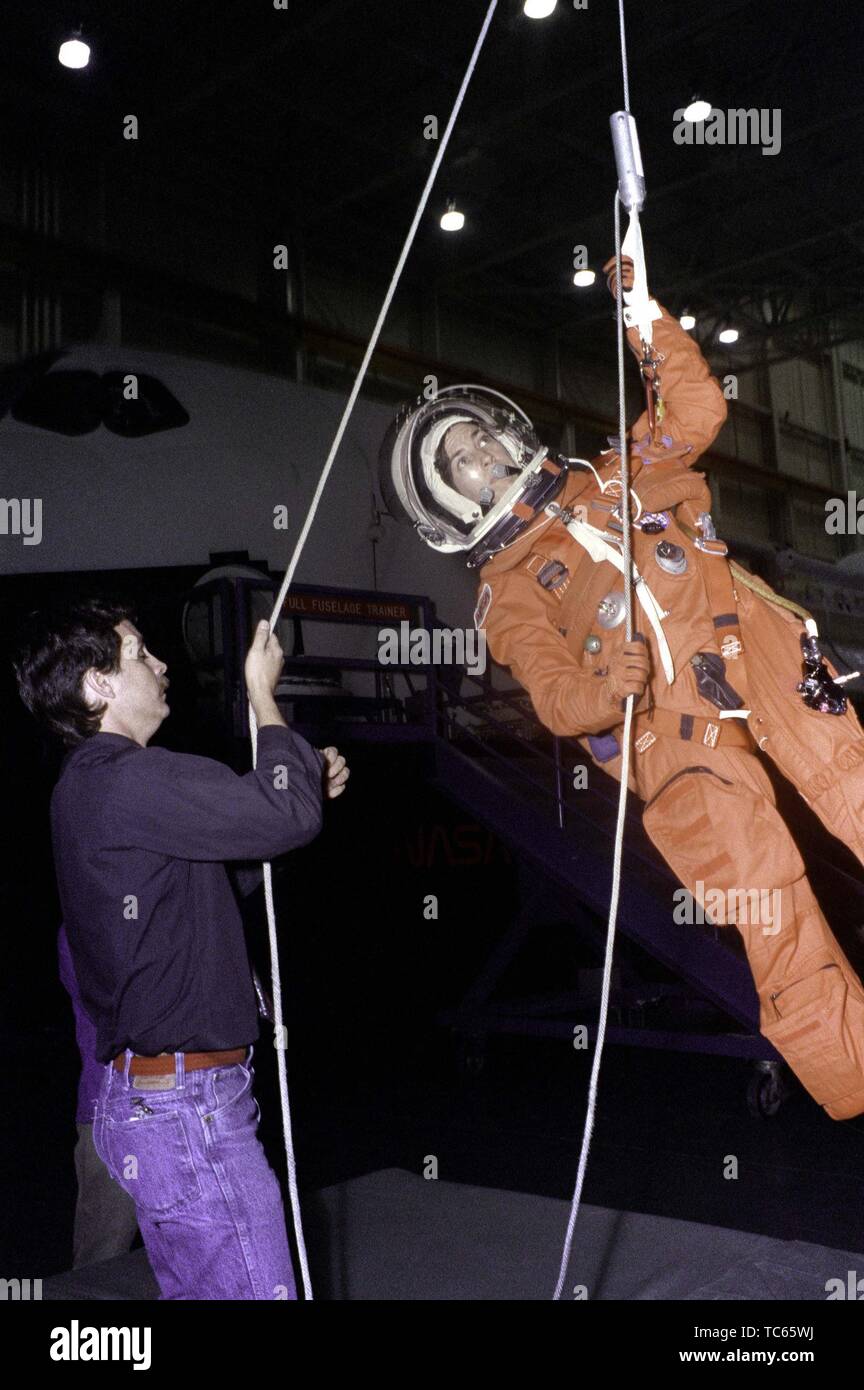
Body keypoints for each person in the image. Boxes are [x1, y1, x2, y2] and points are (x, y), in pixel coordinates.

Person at [378, 254, 864, 1123]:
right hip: (671, 735)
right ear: (445, 503)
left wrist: (641, 313)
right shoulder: (508, 597)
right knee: (769, 904)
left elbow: (697, 410)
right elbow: (556, 701)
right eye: (457, 458)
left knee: (855, 783)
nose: (479, 451)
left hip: (748, 641)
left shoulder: (614, 474)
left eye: (477, 433)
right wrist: (610, 686)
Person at [13, 598, 349, 1298]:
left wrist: (299, 790)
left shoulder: (93, 786)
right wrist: (263, 694)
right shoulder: (132, 777)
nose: (161, 664)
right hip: (186, 1111)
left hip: (159, 1105)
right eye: (139, 654)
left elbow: (239, 868)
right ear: (97, 685)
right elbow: (281, 817)